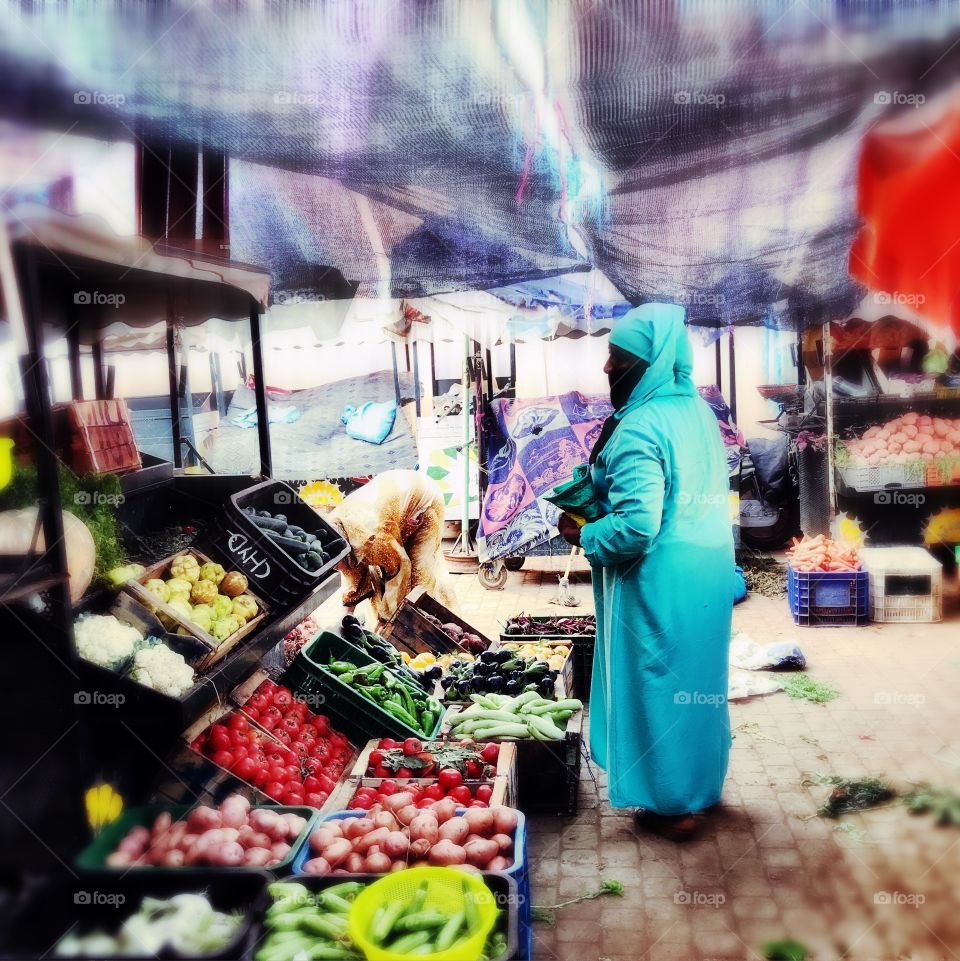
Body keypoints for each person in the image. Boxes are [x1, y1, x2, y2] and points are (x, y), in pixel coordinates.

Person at [557, 304, 734, 842]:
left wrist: (583, 533)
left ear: (649, 362)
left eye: (618, 358)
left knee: (659, 684)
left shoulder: (640, 426)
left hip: (658, 581)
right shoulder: (697, 412)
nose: (607, 368)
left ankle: (671, 803)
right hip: (705, 576)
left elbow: (636, 526)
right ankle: (698, 786)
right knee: (699, 684)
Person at [328, 469, 457, 625]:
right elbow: (352, 571)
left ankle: (433, 624)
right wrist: (345, 616)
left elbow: (399, 570)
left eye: (336, 567)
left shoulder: (375, 539)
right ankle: (395, 622)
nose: (337, 569)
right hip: (393, 505)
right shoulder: (335, 532)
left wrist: (387, 618)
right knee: (379, 571)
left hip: (425, 500)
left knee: (420, 572)